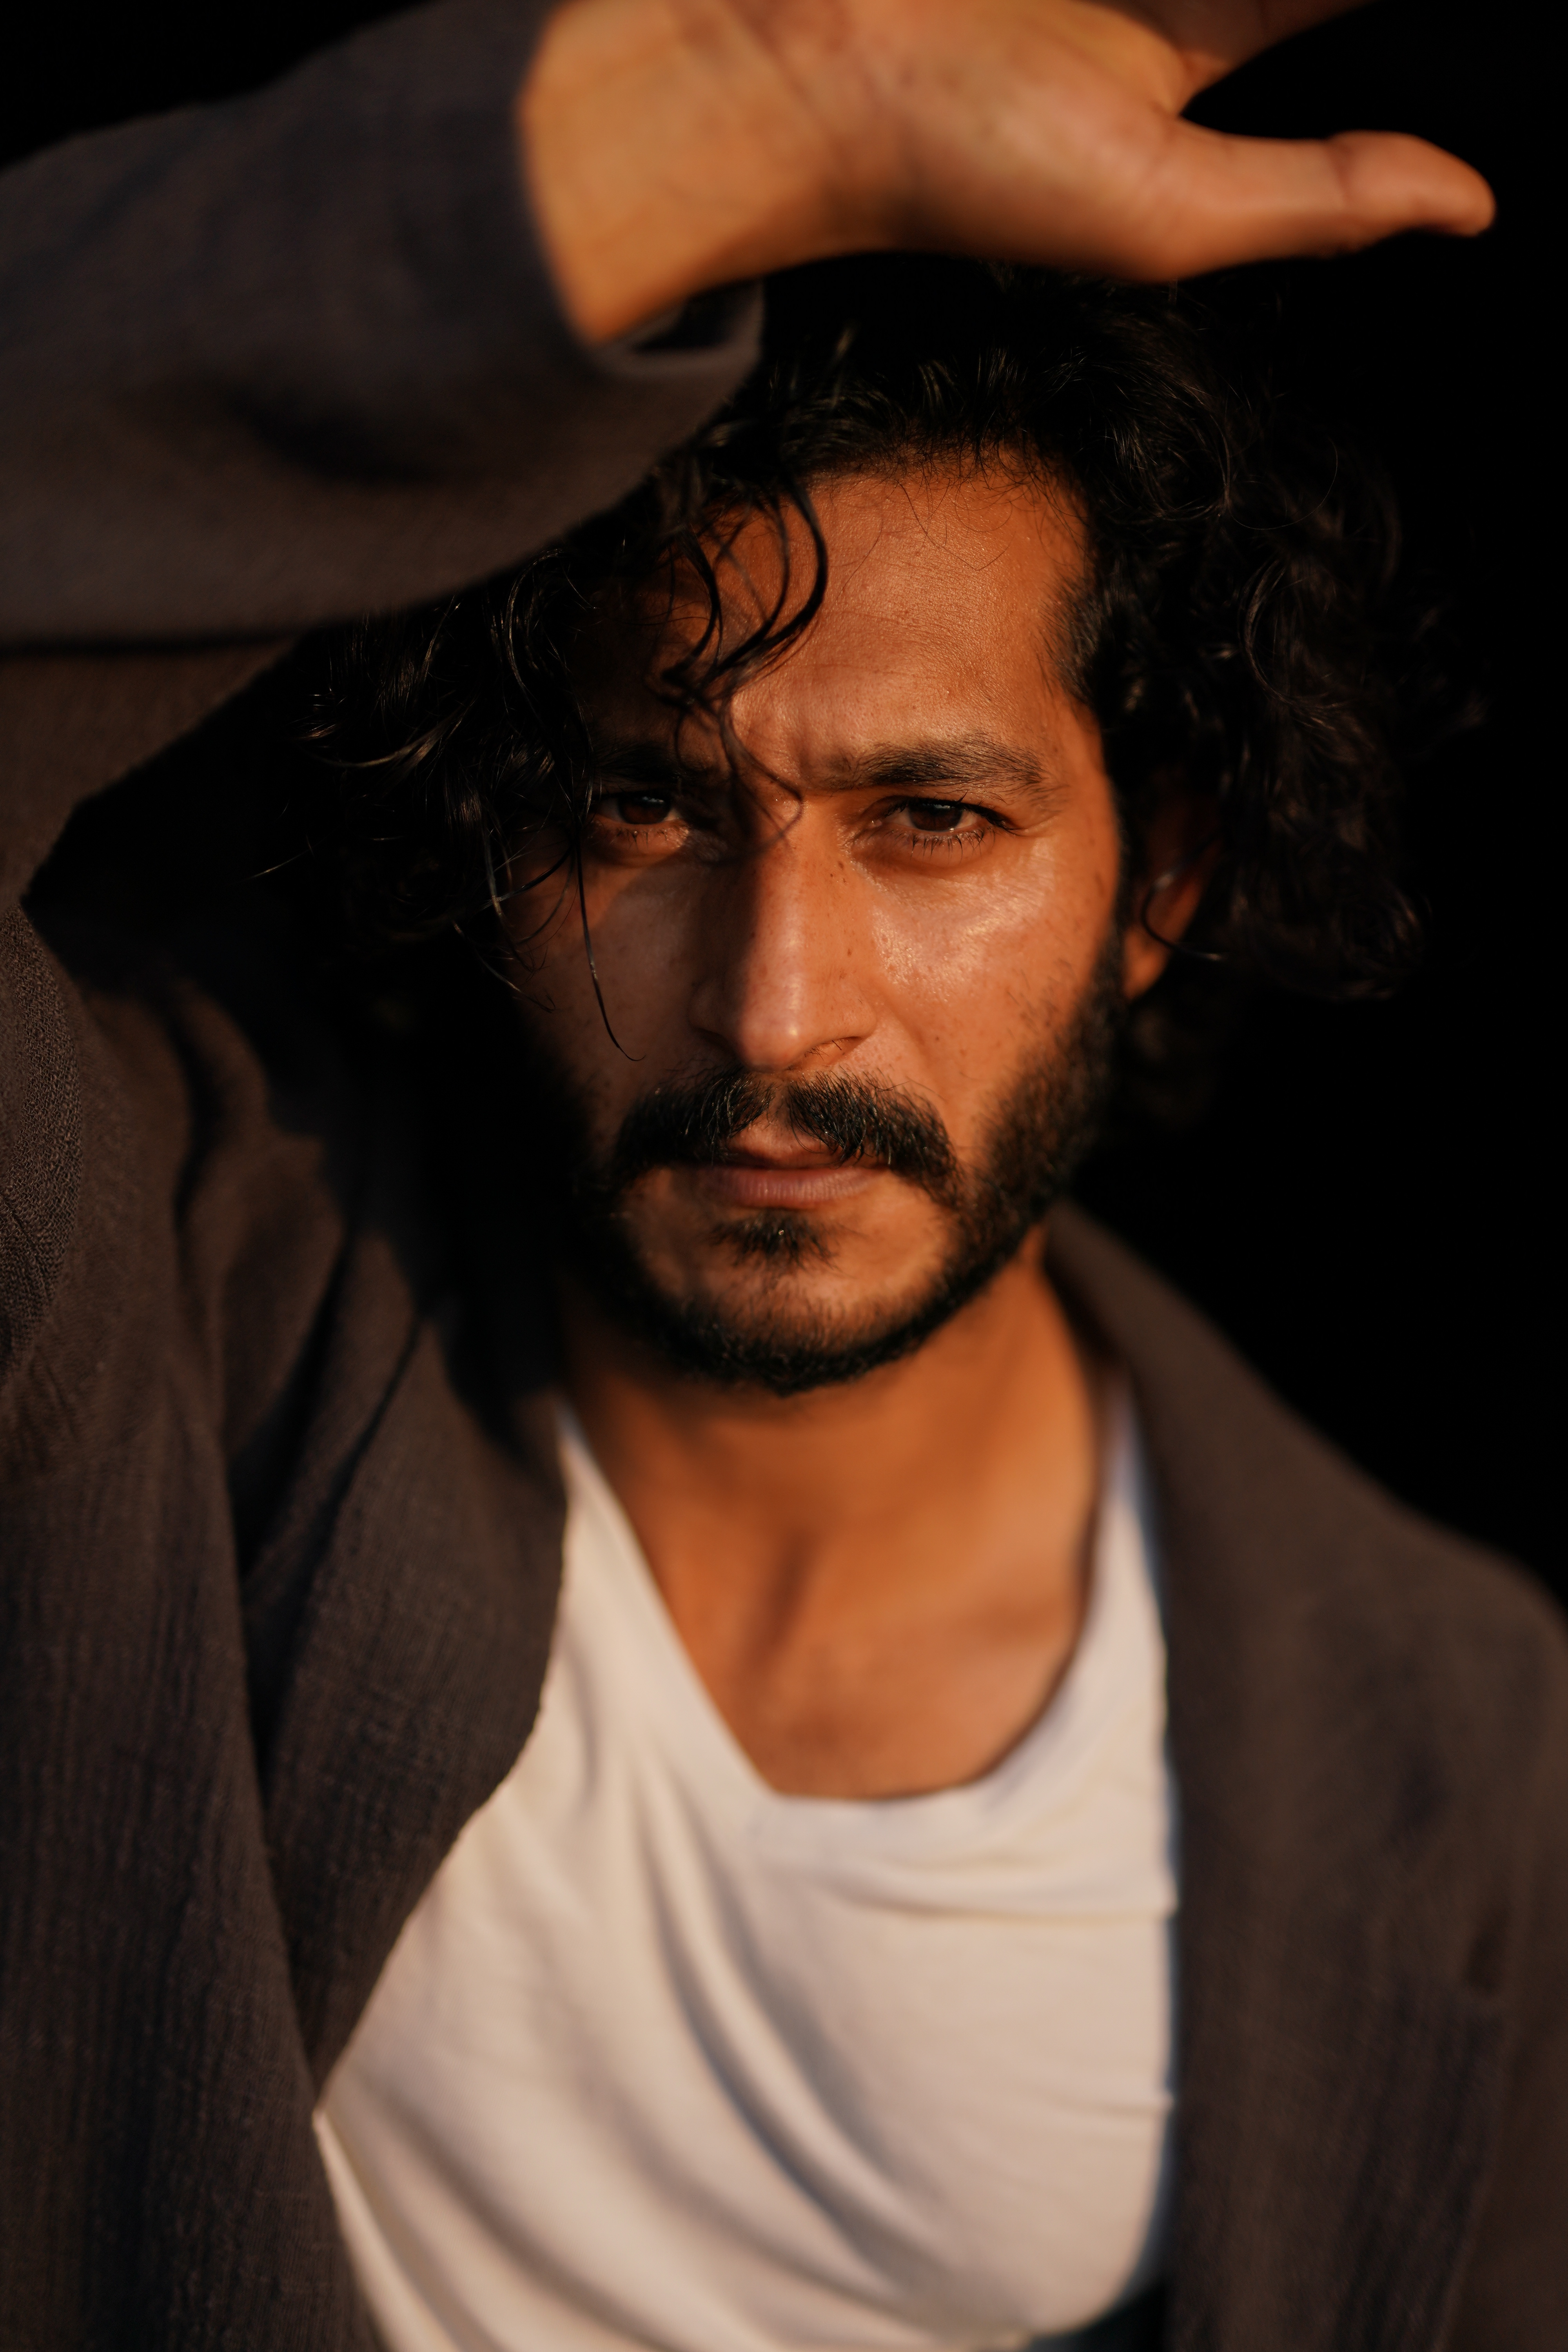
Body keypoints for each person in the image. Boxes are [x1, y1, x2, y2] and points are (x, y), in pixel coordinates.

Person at [0, 3, 1557, 2349]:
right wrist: (752, 111)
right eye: (646, 810)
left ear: (1155, 883)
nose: (772, 1010)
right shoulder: (184, 1279)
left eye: (931, 820)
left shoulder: (1457, 1738)